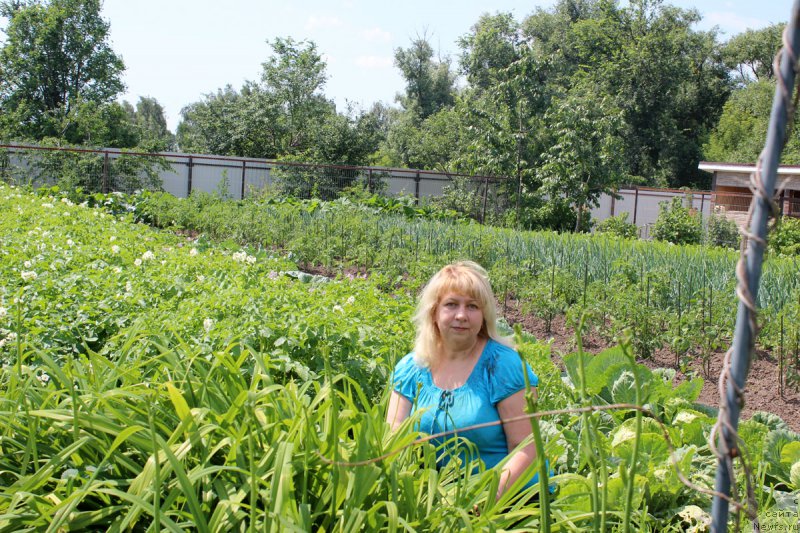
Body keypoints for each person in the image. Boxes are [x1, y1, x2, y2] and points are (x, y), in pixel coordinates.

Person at [386, 260, 541, 499]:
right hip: (432, 500)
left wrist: (486, 498)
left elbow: (527, 448)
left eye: (472, 306)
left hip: (506, 500)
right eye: (451, 304)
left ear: (484, 314)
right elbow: (393, 440)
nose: (461, 315)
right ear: (434, 312)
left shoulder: (503, 367)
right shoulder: (410, 368)